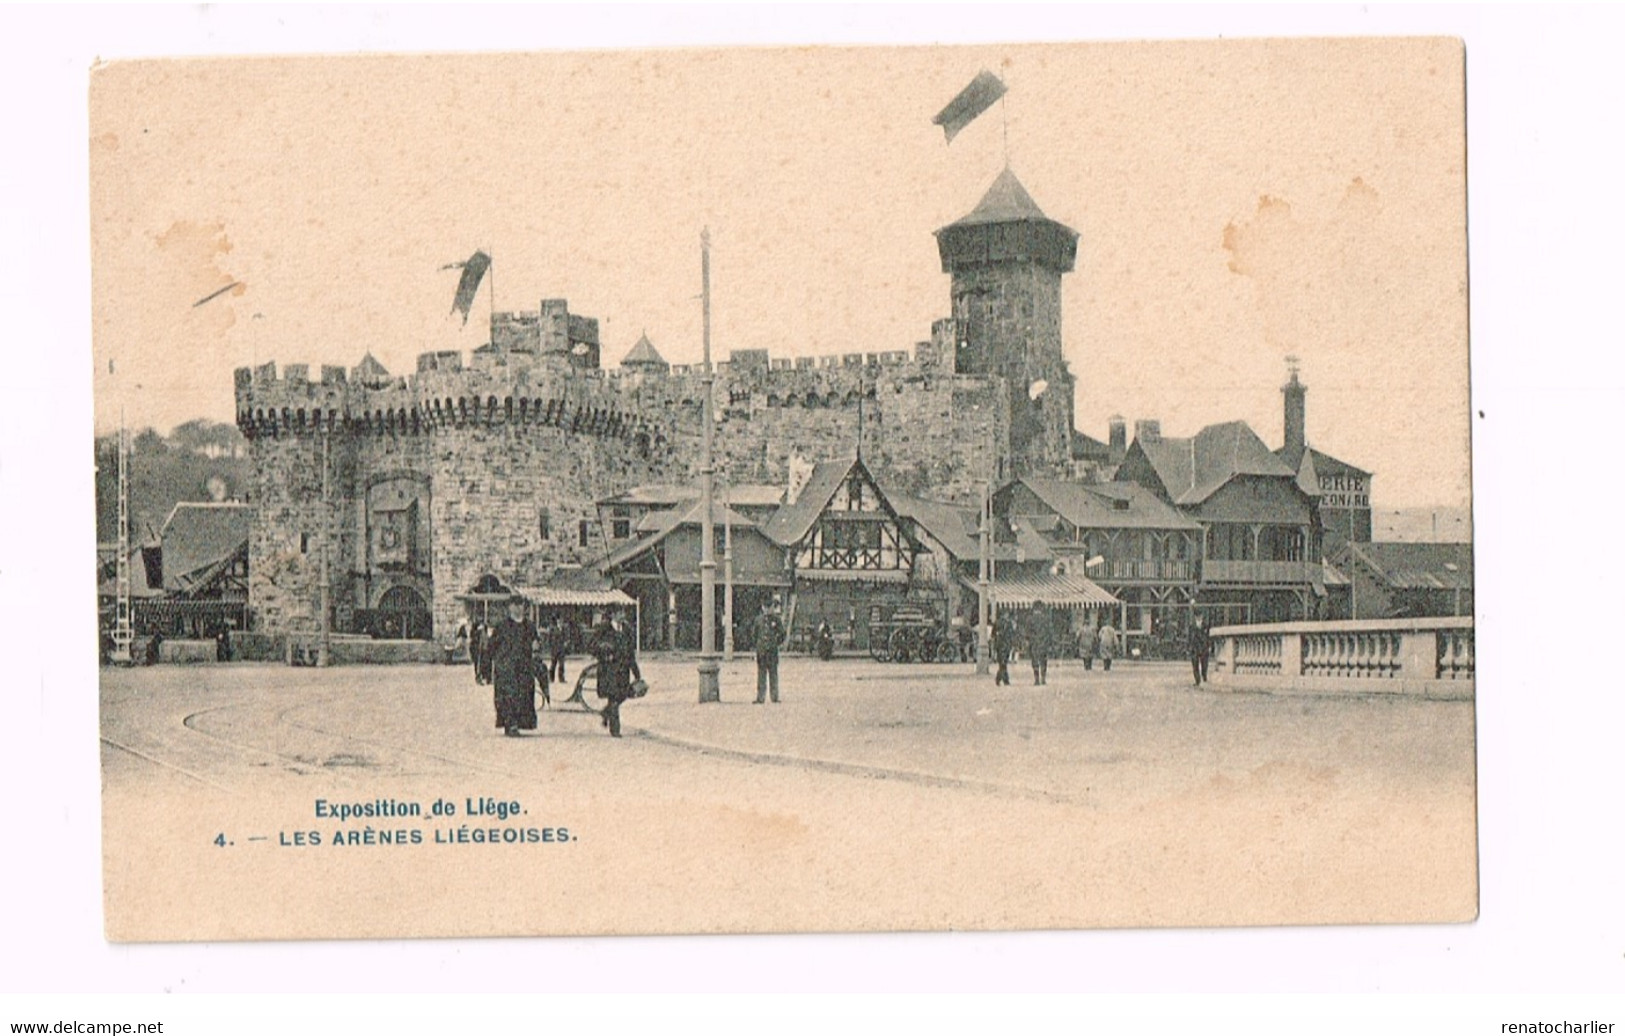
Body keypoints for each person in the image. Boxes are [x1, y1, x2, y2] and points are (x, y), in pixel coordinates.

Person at [487, 600, 539, 737]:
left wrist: (535, 647)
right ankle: (510, 724)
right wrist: (498, 662)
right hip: (506, 669)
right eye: (514, 605)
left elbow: (536, 644)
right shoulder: (502, 626)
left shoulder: (529, 626)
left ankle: (519, 723)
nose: (517, 608)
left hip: (524, 668)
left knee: (523, 696)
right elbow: (491, 647)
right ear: (510, 607)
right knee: (507, 697)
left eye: (520, 605)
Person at [590, 611, 641, 738]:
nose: (622, 615)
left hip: (624, 669)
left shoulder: (627, 629)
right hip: (609, 668)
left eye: (623, 612)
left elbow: (630, 651)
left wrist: (636, 672)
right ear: (613, 615)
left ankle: (605, 712)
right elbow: (592, 646)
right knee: (613, 697)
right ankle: (615, 730)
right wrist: (603, 650)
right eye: (619, 613)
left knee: (623, 695)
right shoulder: (604, 628)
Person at [750, 598, 787, 703]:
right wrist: (758, 645)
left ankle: (774, 697)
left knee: (773, 674)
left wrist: (776, 642)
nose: (767, 610)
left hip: (772, 651)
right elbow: (754, 634)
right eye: (765, 607)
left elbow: (782, 634)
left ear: (772, 608)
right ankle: (760, 697)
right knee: (761, 675)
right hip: (761, 652)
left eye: (769, 607)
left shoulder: (776, 620)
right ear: (762, 608)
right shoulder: (758, 620)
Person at [1026, 604, 1052, 686]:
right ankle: (1043, 678)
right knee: (1043, 660)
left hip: (1034, 643)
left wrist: (1028, 641)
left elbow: (1028, 632)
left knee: (1035, 661)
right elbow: (1049, 632)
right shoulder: (1046, 619)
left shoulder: (1030, 619)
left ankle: (1036, 679)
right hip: (1044, 642)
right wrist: (1050, 643)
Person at [1188, 612, 1211, 687]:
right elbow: (1189, 638)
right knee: (1195, 665)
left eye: (1200, 617)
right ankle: (1197, 680)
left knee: (1204, 664)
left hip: (1203, 647)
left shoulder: (1205, 627)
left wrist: (1209, 646)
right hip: (1195, 648)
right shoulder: (1192, 627)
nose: (1199, 619)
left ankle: (1204, 677)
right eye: (1197, 618)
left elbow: (1208, 638)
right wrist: (1189, 648)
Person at [990, 614, 1013, 686]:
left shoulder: (997, 622)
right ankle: (1002, 679)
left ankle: (1001, 678)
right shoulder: (1009, 624)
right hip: (1005, 645)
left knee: (1002, 663)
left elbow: (992, 634)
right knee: (1003, 663)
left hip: (1000, 645)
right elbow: (1011, 635)